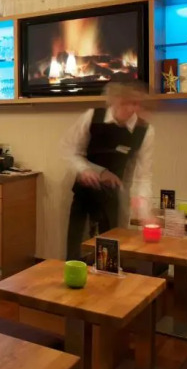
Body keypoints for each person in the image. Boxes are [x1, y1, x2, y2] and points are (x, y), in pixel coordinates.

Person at [61, 81, 155, 261]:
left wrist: (145, 213)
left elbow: (142, 177)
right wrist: (87, 170)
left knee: (108, 258)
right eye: (126, 102)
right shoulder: (92, 117)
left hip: (113, 200)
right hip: (83, 196)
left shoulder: (144, 131)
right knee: (75, 255)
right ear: (113, 99)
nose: (131, 109)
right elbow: (69, 150)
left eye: (136, 103)